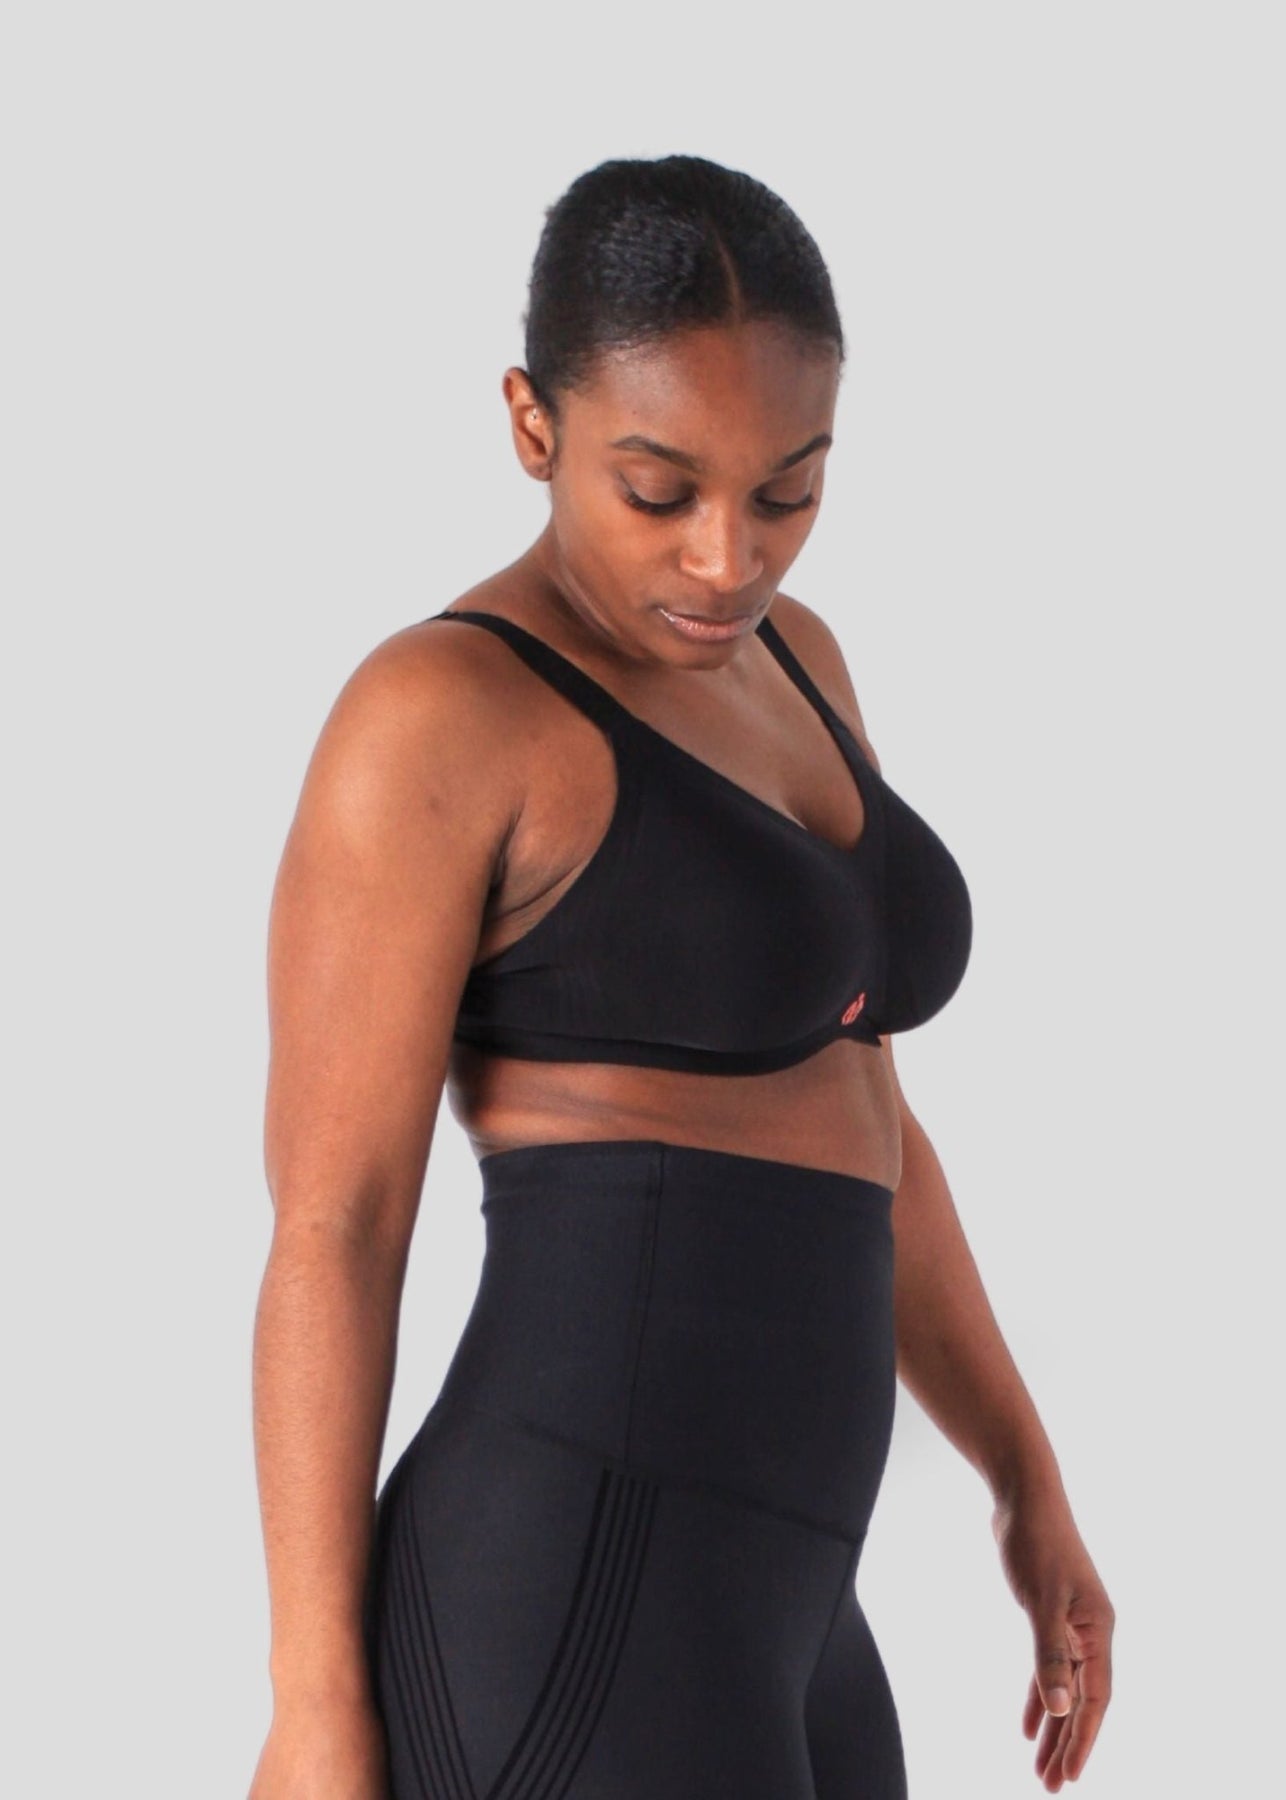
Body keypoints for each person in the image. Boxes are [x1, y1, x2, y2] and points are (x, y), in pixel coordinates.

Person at [249, 155, 1115, 1800]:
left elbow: (873, 1127)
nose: (727, 559)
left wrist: (1023, 1479)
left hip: (795, 1611)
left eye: (786, 493)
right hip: (563, 1590)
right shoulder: (439, 716)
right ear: (532, 424)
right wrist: (312, 1704)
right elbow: (334, 1223)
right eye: (658, 492)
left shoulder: (799, 661)